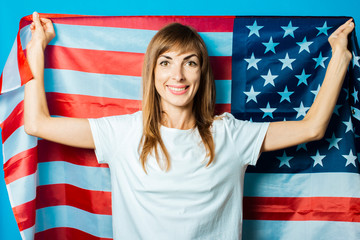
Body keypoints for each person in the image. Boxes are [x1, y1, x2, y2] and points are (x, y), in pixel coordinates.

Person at [24, 11, 354, 239]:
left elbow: (312, 128)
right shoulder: (122, 133)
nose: (177, 75)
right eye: (166, 63)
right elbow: (36, 123)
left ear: (202, 74)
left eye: (190, 63)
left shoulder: (231, 134)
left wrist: (340, 57)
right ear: (152, 74)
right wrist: (36, 49)